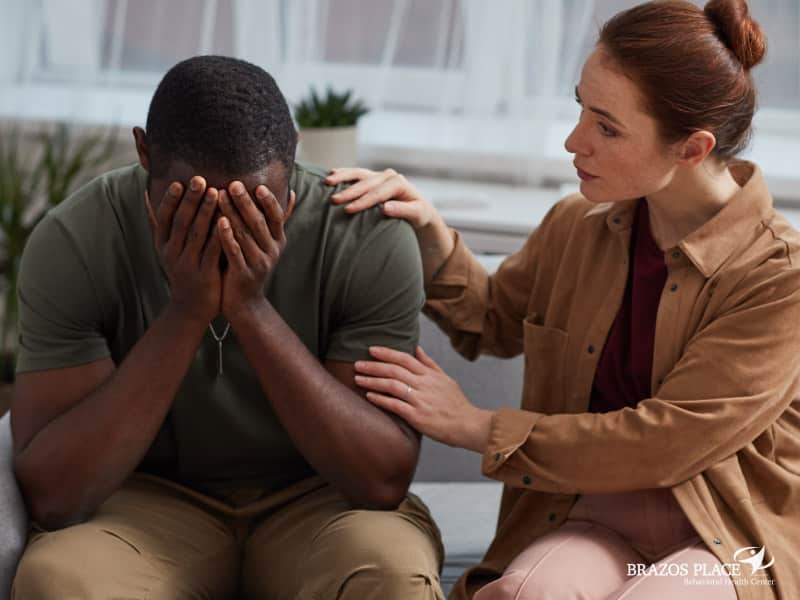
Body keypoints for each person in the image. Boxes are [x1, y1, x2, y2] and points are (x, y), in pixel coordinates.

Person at [326, 1, 800, 598]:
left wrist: (476, 426)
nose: (575, 142)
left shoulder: (779, 277)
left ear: (692, 149)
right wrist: (426, 232)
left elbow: (664, 444)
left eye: (607, 127)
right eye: (581, 106)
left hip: (728, 533)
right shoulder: (578, 225)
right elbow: (493, 320)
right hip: (593, 514)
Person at [10, 55, 444, 599]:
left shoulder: (363, 234)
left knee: (391, 573)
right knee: (60, 580)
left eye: (257, 206)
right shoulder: (77, 238)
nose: (223, 232)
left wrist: (250, 309)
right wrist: (188, 311)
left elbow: (378, 481)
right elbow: (56, 495)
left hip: (320, 505)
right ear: (145, 153)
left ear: (294, 152)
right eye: (190, 203)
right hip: (142, 505)